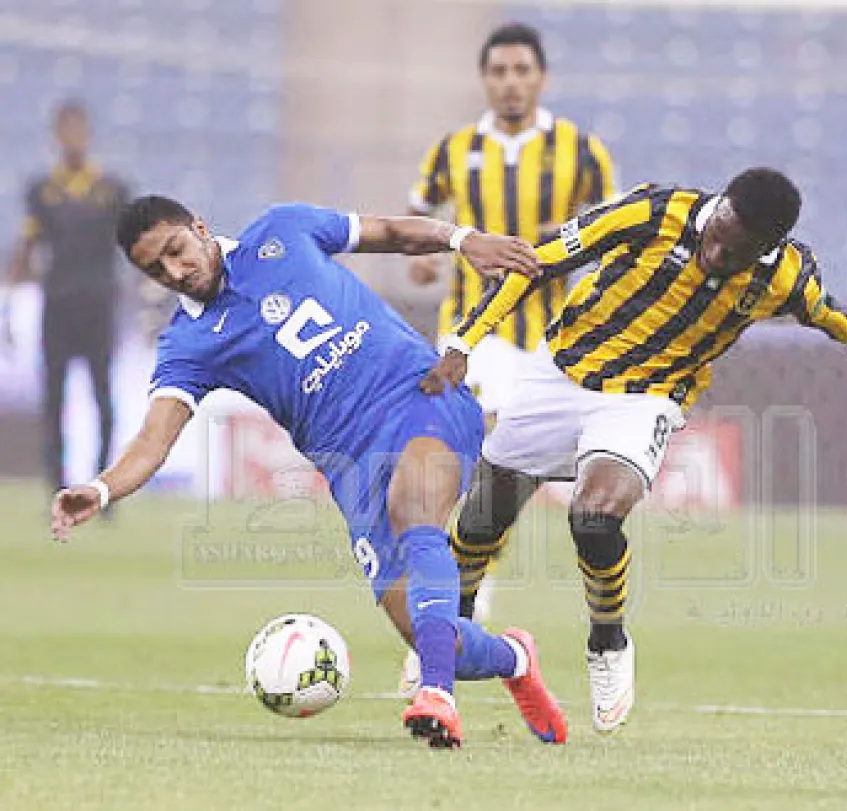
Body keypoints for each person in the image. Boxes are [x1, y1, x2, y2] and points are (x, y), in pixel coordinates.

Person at [50, 196, 570, 749]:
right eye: (156, 270)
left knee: (415, 509)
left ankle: (436, 694)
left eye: (176, 251)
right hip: (351, 470)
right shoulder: (189, 345)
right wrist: (101, 488)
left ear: (200, 228)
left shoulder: (283, 230)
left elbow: (390, 229)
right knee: (427, 630)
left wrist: (464, 241)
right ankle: (514, 659)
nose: (175, 273)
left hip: (420, 398)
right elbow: (154, 441)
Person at [422, 167, 847, 733]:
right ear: (719, 204)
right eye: (719, 231)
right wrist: (464, 341)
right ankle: (445, 647)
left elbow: (825, 314)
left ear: (768, 248)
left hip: (646, 400)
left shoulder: (785, 277)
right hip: (561, 373)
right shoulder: (652, 213)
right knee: (483, 517)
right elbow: (540, 260)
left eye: (737, 249)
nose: (718, 250)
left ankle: (607, 641)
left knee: (595, 518)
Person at [400, 21, 615, 689]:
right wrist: (428, 263)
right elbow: (418, 209)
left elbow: (611, 229)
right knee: (465, 447)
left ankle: (462, 589)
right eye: (499, 72)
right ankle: (457, 599)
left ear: (541, 77)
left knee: (506, 471)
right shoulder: (454, 150)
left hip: (550, 339)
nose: (511, 82)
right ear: (485, 79)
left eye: (522, 70)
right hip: (472, 333)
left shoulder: (580, 150)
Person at [4, 101, 131, 501]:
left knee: (103, 398)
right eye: (65, 130)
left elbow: (132, 244)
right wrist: (8, 294)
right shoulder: (42, 190)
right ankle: (56, 489)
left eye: (78, 130)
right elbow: (28, 245)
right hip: (57, 305)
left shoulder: (113, 190)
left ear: (87, 135)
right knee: (53, 399)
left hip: (98, 303)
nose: (72, 138)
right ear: (56, 136)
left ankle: (103, 488)